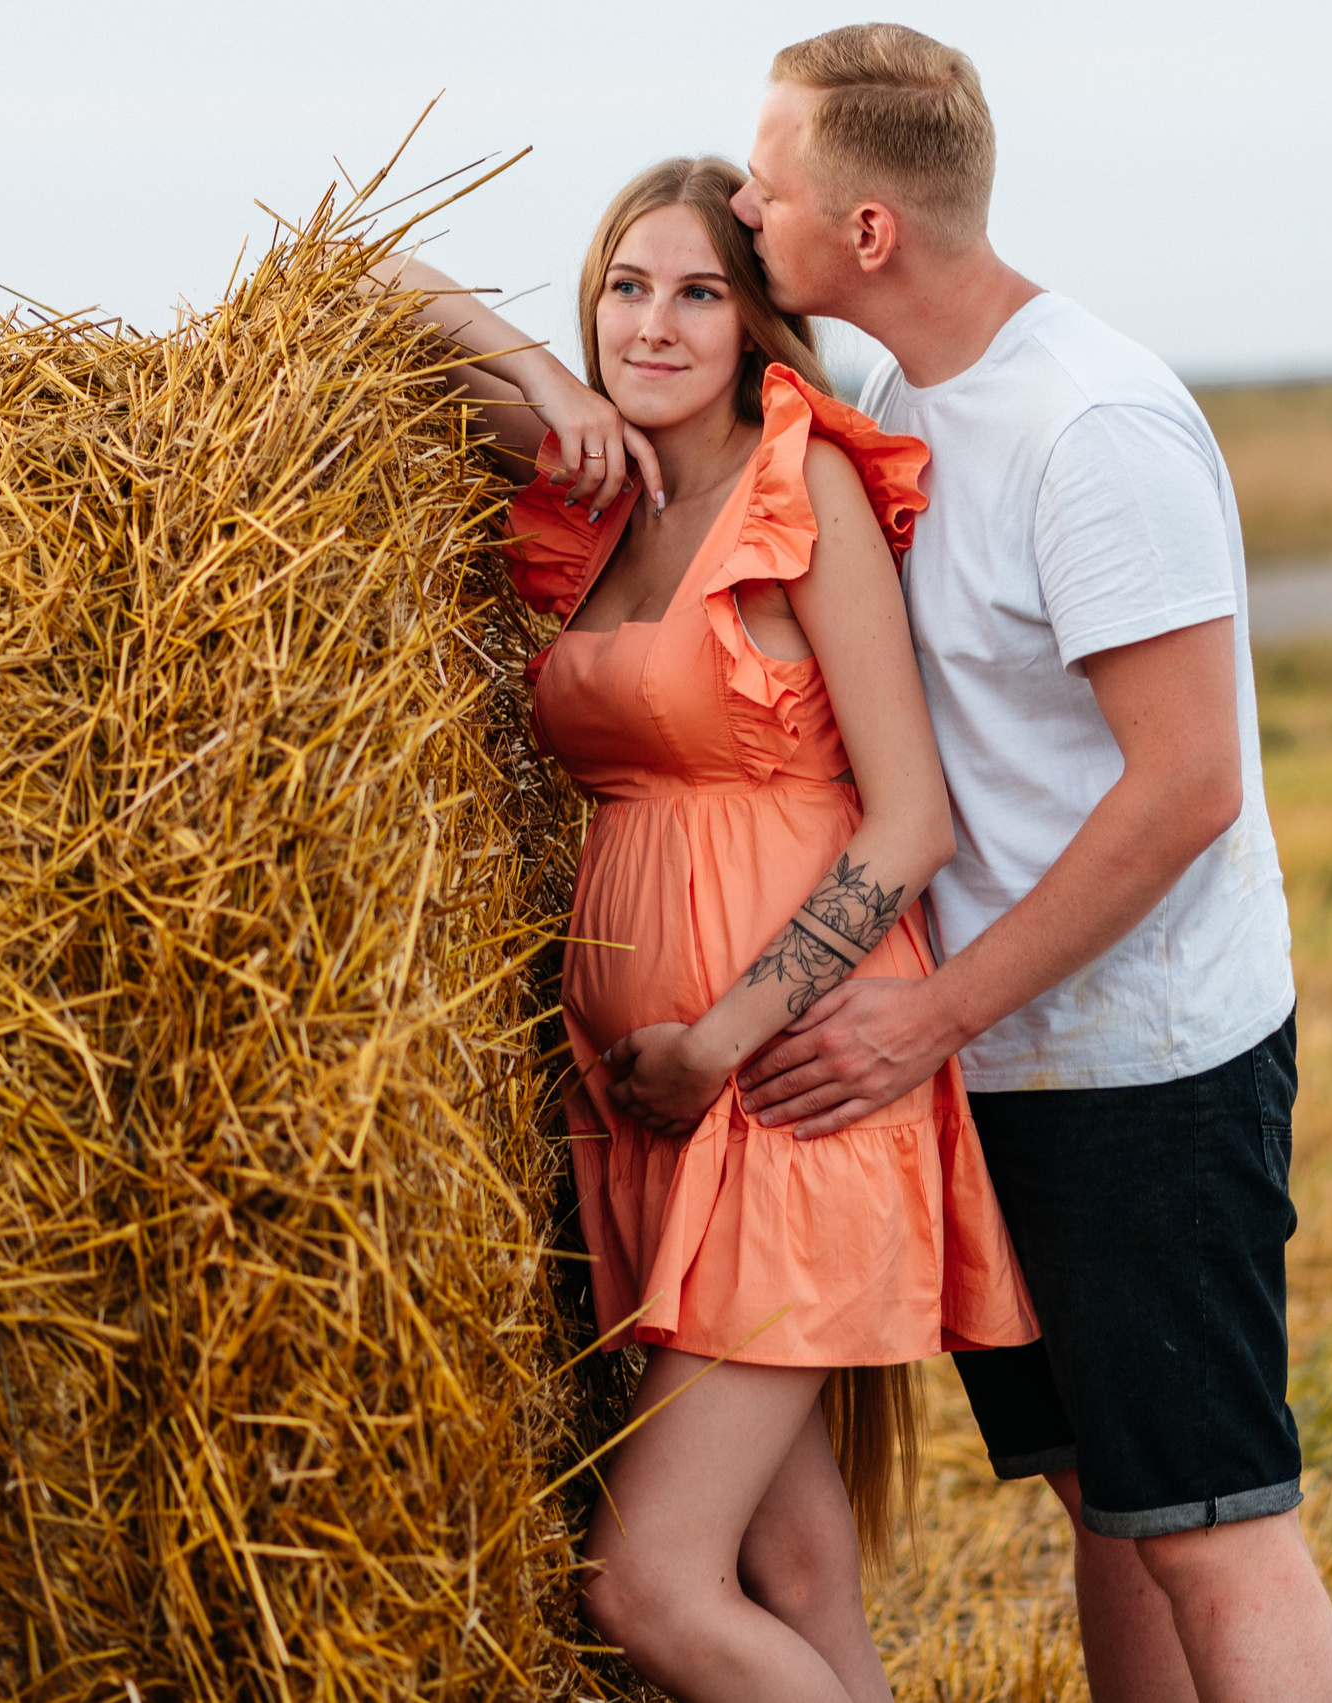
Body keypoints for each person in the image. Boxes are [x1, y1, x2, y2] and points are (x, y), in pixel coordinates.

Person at [720, 24, 1332, 1703]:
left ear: (869, 232)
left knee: (1215, 1522)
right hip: (1003, 1057)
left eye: (767, 182)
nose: (739, 200)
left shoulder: (1094, 430)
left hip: (1140, 1065)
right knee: (1112, 1499)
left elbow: (1186, 790)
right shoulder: (893, 396)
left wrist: (927, 1025)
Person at [370, 157, 1038, 1703]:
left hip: (778, 1082)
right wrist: (552, 383)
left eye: (696, 295)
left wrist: (724, 1041)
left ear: (755, 327)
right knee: (790, 1572)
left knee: (648, 1583)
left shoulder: (801, 492)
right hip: (652, 1097)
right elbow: (354, 284)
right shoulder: (594, 492)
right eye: (625, 286)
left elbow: (909, 824)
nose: (654, 327)